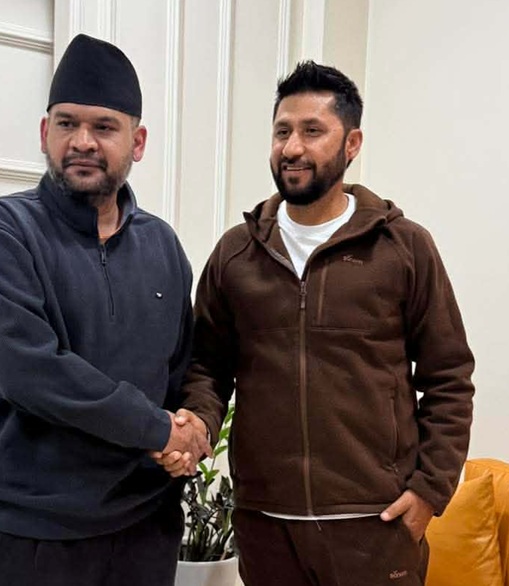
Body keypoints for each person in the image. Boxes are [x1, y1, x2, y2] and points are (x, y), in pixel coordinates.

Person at [160, 61, 476, 585]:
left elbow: (449, 378)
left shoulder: (403, 248)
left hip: (375, 525)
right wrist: (198, 425)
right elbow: (207, 368)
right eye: (282, 131)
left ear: (352, 144)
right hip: (266, 527)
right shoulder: (236, 254)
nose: (292, 148)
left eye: (312, 131)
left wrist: (429, 491)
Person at [0, 34, 210, 586]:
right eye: (67, 123)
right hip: (34, 534)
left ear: (137, 142)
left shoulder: (163, 245)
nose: (82, 142)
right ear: (44, 133)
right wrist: (158, 430)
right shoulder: (2, 231)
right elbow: (29, 371)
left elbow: (182, 366)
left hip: (146, 527)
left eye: (104, 127)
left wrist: (191, 428)